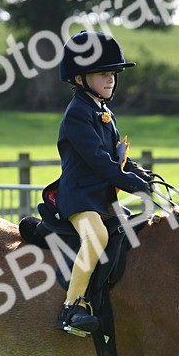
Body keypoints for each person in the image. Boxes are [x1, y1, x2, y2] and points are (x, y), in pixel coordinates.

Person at [53, 31, 153, 336]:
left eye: (113, 73)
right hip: (80, 199)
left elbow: (116, 156)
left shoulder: (102, 111)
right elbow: (99, 161)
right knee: (96, 236)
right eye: (102, 74)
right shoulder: (77, 115)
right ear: (80, 78)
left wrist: (143, 175)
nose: (110, 80)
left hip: (104, 198)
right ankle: (72, 308)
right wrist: (129, 182)